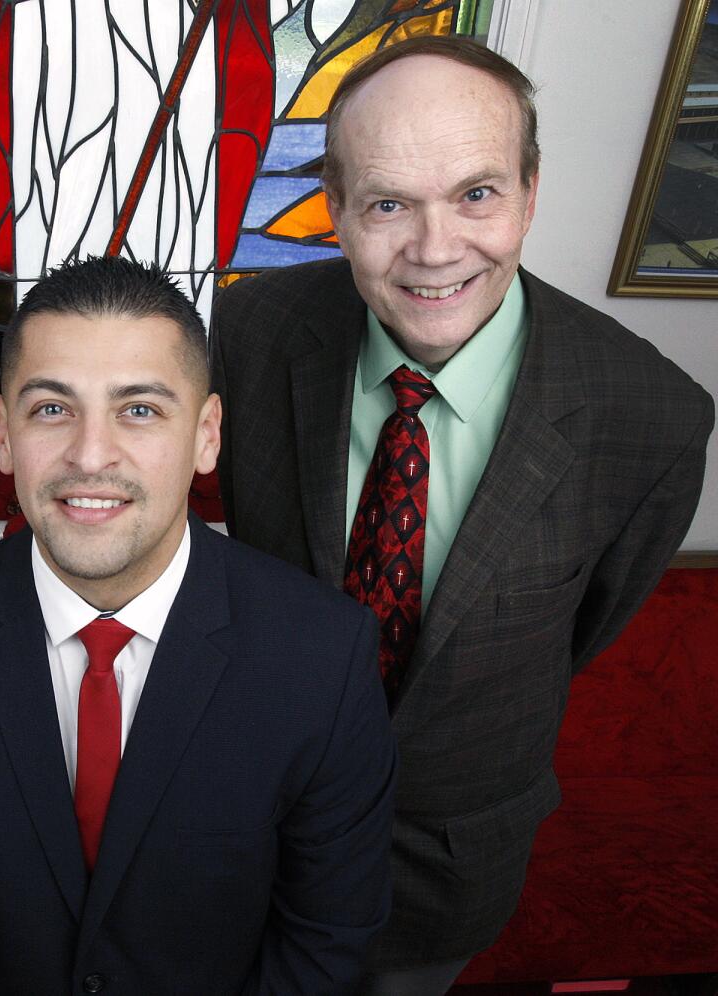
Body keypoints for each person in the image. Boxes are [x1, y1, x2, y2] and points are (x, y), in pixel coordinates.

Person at [209, 35, 714, 995]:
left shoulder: (652, 416)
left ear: (529, 193)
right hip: (237, 821)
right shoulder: (253, 329)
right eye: (389, 204)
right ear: (337, 213)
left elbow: (584, 629)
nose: (435, 250)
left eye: (476, 194)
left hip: (444, 869)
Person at [0, 256, 397, 994]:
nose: (90, 454)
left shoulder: (321, 656)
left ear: (207, 434)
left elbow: (327, 937)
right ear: (5, 435)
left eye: (139, 409)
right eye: (51, 408)